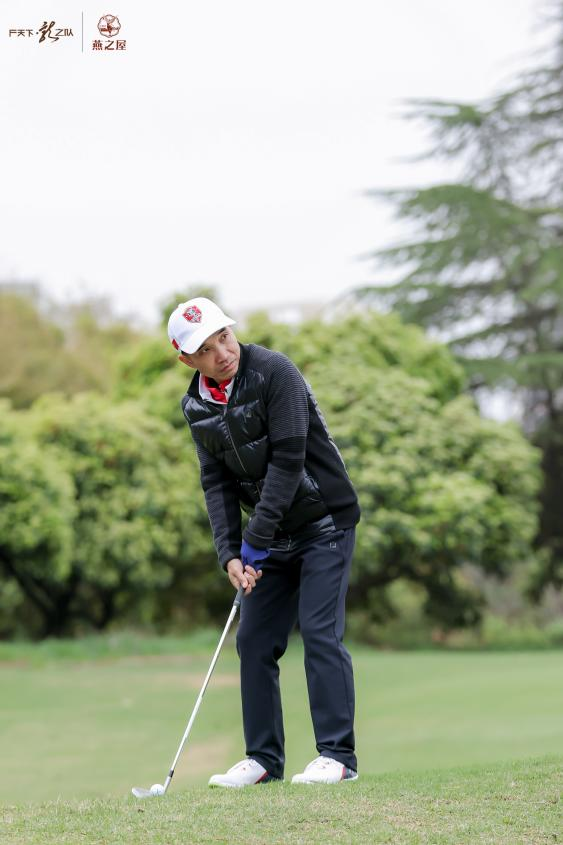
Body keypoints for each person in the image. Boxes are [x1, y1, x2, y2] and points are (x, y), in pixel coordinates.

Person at [168, 296, 361, 786]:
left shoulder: (275, 371)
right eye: (206, 349)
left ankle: (337, 758)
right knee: (253, 640)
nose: (223, 353)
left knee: (319, 632)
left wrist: (255, 539)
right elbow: (216, 482)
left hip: (325, 521)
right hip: (272, 536)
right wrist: (230, 554)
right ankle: (263, 761)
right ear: (187, 359)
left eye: (224, 337)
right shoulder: (196, 406)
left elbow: (289, 461)